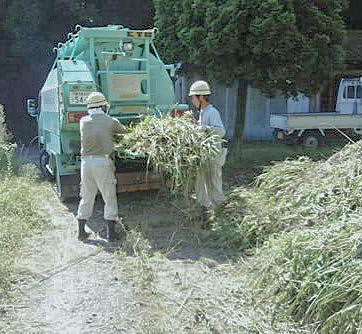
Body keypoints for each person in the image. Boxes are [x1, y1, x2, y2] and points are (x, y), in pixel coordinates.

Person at [76, 92, 126, 241]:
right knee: (109, 197)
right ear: (103, 106)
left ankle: (81, 232)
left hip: (86, 163)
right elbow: (125, 132)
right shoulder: (110, 121)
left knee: (86, 196)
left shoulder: (83, 121)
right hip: (102, 162)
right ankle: (111, 234)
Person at [189, 80, 227, 222]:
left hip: (213, 156)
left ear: (202, 97)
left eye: (193, 97)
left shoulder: (212, 112)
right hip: (204, 157)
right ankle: (204, 213)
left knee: (214, 186)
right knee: (201, 184)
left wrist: (205, 129)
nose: (192, 100)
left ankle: (221, 215)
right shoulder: (202, 113)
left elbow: (221, 131)